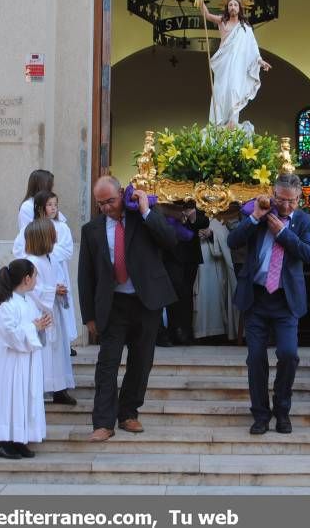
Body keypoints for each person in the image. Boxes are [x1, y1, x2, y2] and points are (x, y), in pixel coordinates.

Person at [78, 176, 178, 442]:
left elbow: (171, 241)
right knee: (107, 365)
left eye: (110, 201)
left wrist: (145, 210)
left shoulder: (143, 218)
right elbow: (85, 275)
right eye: (101, 204)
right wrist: (88, 315)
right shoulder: (92, 230)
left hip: (146, 302)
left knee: (141, 361)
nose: (106, 208)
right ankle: (102, 422)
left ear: (122, 193)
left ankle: (129, 413)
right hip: (113, 306)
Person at [227, 174, 310, 435]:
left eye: (291, 201)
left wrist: (283, 233)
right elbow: (233, 242)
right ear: (272, 194)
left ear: (299, 200)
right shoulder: (258, 214)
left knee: (289, 354)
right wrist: (255, 217)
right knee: (255, 358)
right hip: (256, 298)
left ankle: (282, 409)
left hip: (285, 301)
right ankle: (260, 414)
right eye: (280, 199)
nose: (285, 206)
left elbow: (309, 254)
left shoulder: (304, 221)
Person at [0, 259, 50, 459]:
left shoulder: (28, 301)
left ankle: (20, 439)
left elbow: (34, 329)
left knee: (25, 398)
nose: (37, 279)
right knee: (10, 398)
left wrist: (41, 327)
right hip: (12, 362)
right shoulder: (8, 305)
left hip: (28, 360)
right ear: (26, 279)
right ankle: (4, 442)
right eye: (35, 275)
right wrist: (34, 328)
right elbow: (9, 333)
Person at [199, 0, 272, 130]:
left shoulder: (246, 28)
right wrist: (201, 0)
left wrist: (260, 61)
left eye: (235, 5)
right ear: (227, 8)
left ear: (239, 8)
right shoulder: (222, 21)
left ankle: (232, 122)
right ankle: (218, 123)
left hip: (238, 67)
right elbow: (207, 15)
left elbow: (253, 47)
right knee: (220, 92)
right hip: (224, 63)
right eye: (230, 5)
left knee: (234, 90)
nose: (233, 7)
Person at [23, 219, 76, 406]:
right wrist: (53, 291)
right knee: (45, 352)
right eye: (53, 233)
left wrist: (60, 288)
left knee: (58, 352)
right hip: (41, 312)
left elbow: (58, 278)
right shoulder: (31, 262)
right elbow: (32, 288)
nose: (56, 236)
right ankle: (42, 388)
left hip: (54, 309)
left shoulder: (51, 258)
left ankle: (60, 389)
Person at [163, 202, 210, 345]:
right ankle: (173, 332)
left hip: (190, 255)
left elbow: (204, 220)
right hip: (170, 253)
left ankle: (186, 333)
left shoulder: (196, 196)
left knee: (187, 293)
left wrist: (192, 217)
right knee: (173, 292)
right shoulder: (166, 195)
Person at [193, 217, 240, 342]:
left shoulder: (220, 216)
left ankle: (217, 333)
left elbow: (225, 234)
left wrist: (212, 233)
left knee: (215, 294)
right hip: (196, 259)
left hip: (216, 264)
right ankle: (198, 333)